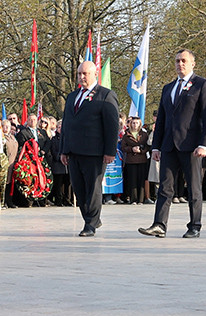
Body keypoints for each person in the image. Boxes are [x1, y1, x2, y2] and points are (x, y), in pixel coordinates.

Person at [139, 49, 206, 238]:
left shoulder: (201, 85)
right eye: (177, 61)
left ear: (192, 64)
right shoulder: (168, 88)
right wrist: (156, 146)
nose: (180, 64)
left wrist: (204, 144)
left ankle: (194, 225)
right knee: (165, 187)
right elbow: (162, 120)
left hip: (191, 146)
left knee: (194, 187)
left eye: (183, 61)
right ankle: (159, 225)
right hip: (168, 146)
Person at [59, 61, 119, 237]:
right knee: (79, 189)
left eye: (85, 74)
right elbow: (67, 125)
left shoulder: (105, 95)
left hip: (95, 151)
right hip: (73, 151)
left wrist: (110, 151)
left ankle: (90, 224)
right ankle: (91, 217)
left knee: (93, 188)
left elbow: (112, 126)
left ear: (95, 74)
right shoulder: (72, 96)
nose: (81, 77)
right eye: (79, 74)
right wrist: (64, 149)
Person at [121, 117, 150, 205]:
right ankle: (133, 199)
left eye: (137, 123)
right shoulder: (126, 135)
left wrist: (141, 150)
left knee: (141, 180)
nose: (135, 125)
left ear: (140, 124)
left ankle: (141, 199)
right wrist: (131, 149)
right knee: (132, 180)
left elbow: (148, 146)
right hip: (131, 160)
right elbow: (123, 147)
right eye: (133, 123)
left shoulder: (144, 135)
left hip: (142, 159)